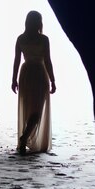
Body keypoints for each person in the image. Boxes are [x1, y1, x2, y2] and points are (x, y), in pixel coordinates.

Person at [11, 10, 56, 155]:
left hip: (25, 73)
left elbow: (17, 61)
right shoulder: (44, 39)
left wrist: (13, 79)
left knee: (30, 108)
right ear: (39, 22)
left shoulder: (21, 38)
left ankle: (24, 138)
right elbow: (48, 61)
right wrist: (53, 79)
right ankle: (24, 138)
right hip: (39, 73)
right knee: (37, 109)